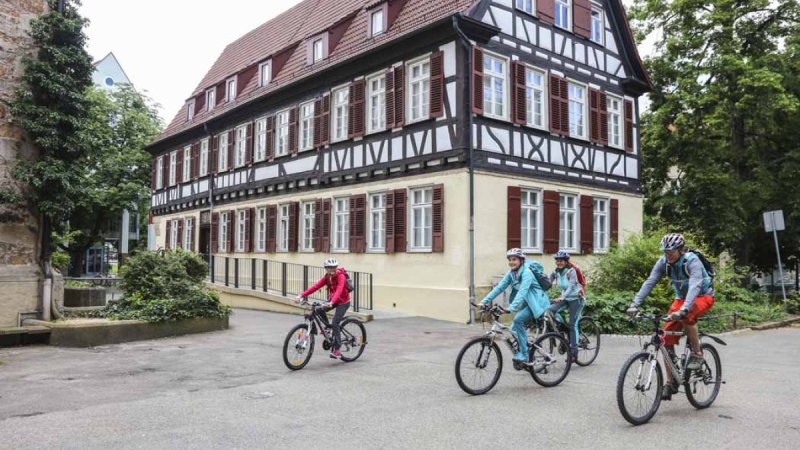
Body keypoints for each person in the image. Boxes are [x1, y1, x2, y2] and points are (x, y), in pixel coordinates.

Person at [626, 233, 715, 400]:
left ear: (681, 250)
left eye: (671, 252)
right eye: (665, 252)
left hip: (703, 296)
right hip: (681, 299)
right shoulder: (663, 262)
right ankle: (670, 381)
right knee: (665, 338)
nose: (668, 255)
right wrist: (634, 304)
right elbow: (650, 282)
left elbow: (695, 286)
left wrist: (684, 309)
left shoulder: (692, 261)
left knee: (687, 316)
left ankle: (697, 354)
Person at [480, 248, 550, 363]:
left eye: (514, 259)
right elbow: (499, 288)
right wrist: (484, 301)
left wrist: (511, 308)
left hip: (537, 303)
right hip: (528, 303)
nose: (511, 262)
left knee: (518, 320)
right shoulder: (512, 273)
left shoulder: (527, 273)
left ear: (521, 261)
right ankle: (526, 348)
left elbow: (522, 292)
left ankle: (525, 354)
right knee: (513, 329)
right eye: (510, 260)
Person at [295, 258, 351, 359]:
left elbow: (339, 290)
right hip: (333, 300)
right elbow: (315, 287)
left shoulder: (341, 276)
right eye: (329, 267)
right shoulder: (327, 277)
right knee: (318, 309)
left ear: (336, 267)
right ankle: (328, 328)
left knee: (335, 323)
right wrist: (301, 295)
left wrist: (331, 303)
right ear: (326, 268)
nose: (332, 269)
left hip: (343, 302)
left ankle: (337, 349)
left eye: (334, 267)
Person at [547, 251, 584, 363]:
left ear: (566, 261)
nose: (559, 262)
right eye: (557, 261)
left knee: (573, 324)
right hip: (565, 299)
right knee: (549, 310)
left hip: (576, 299)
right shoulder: (556, 272)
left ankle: (574, 353)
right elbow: (547, 284)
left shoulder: (571, 271)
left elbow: (571, 286)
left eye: (561, 261)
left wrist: (562, 297)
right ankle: (563, 330)